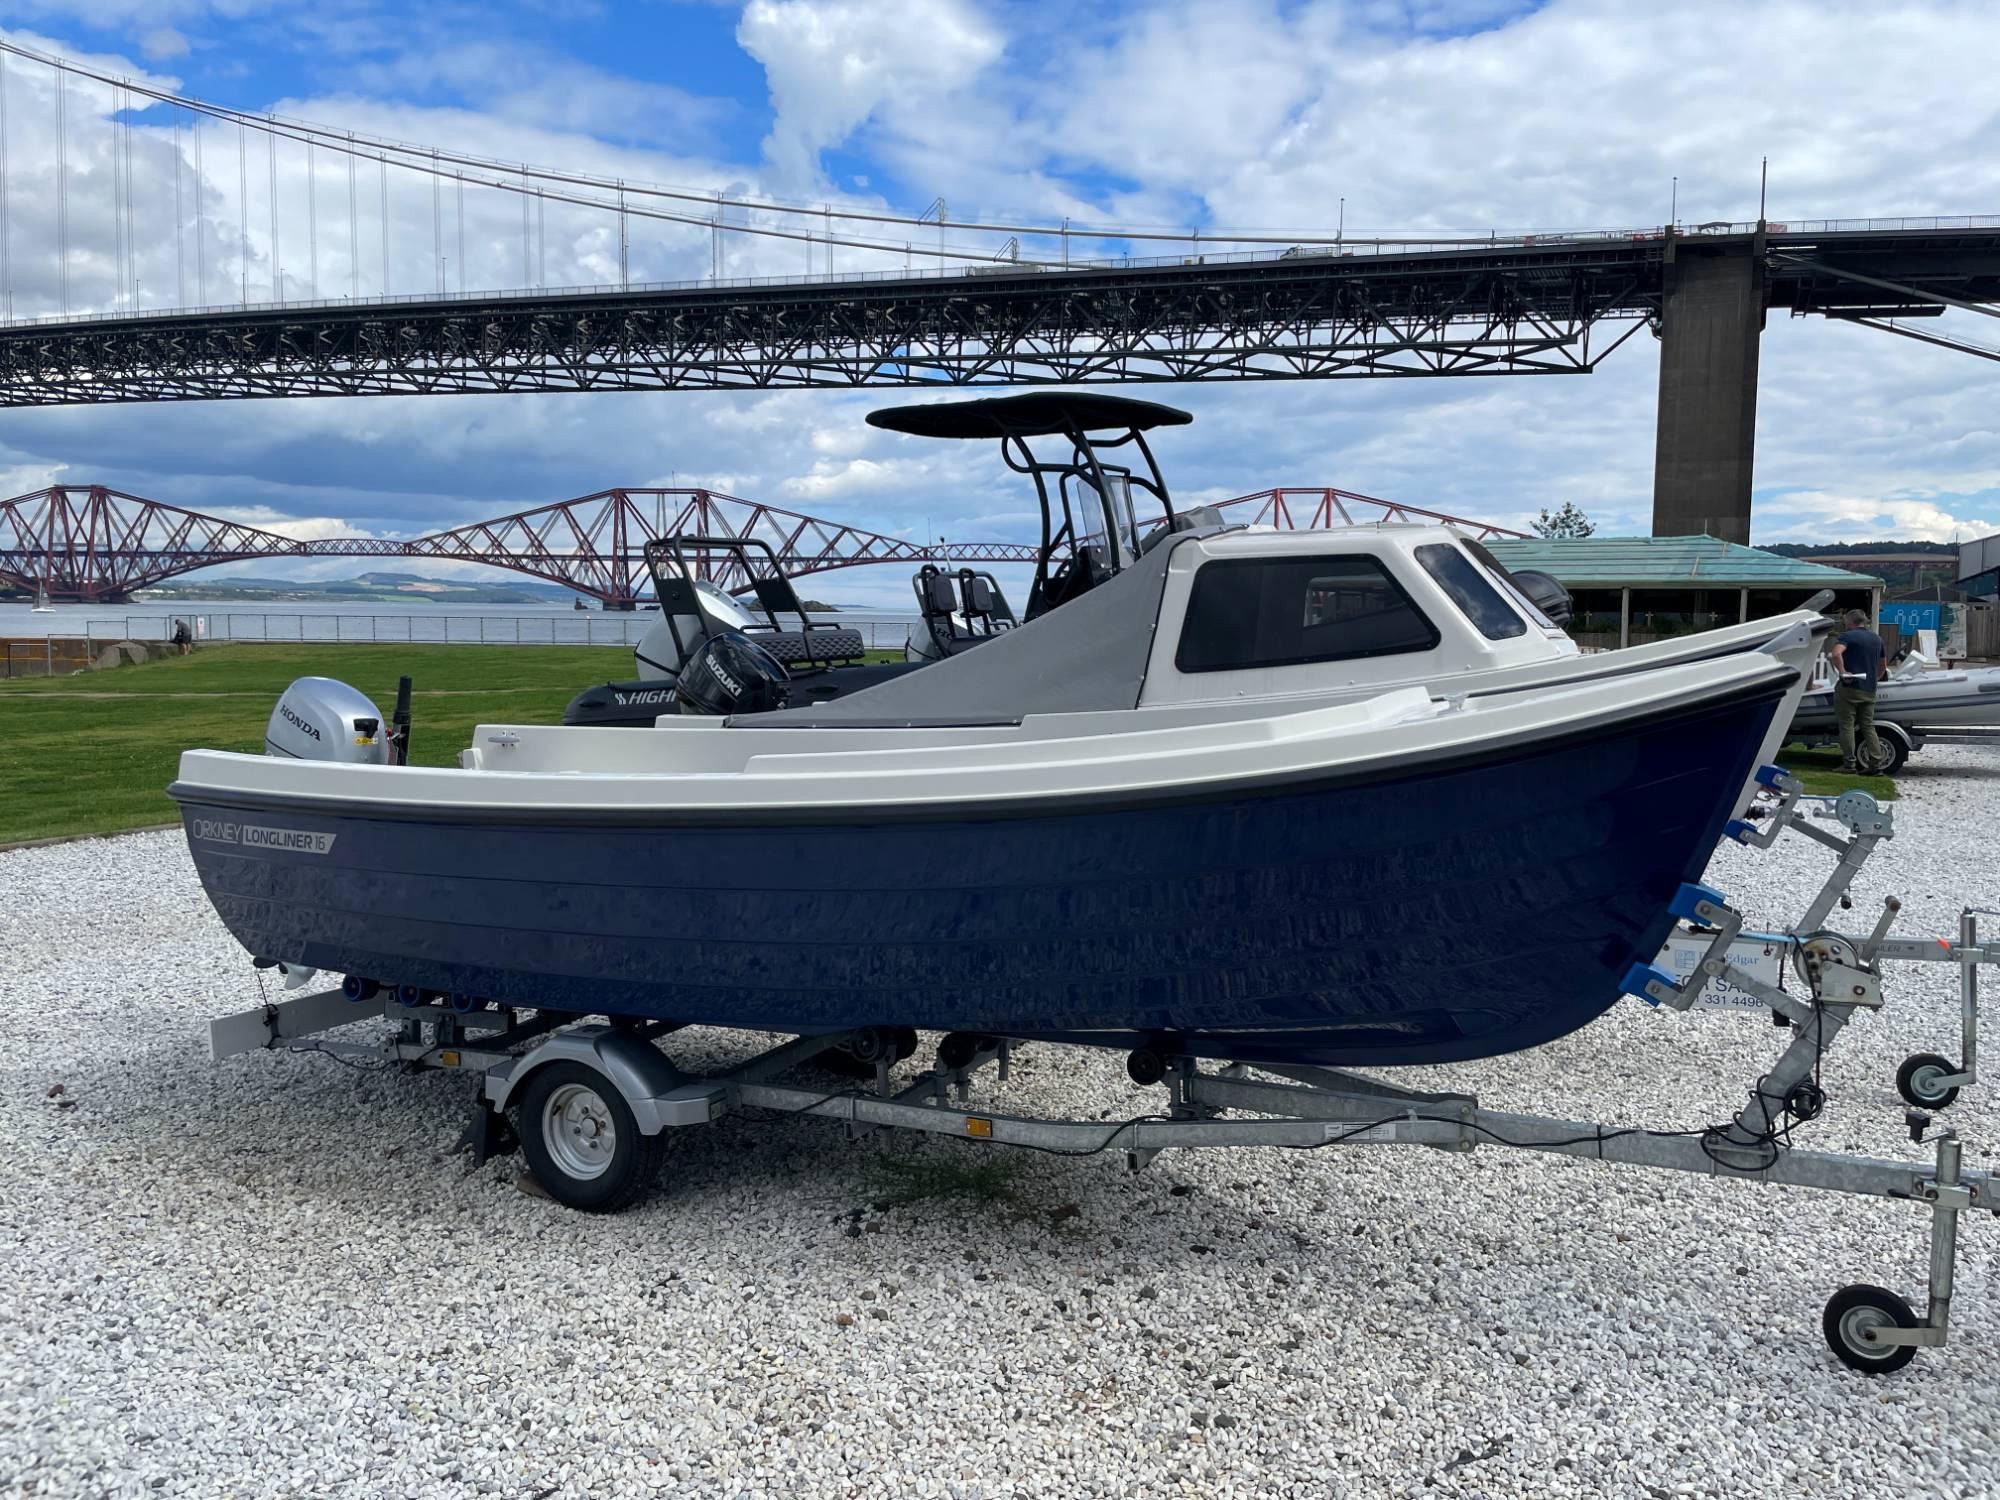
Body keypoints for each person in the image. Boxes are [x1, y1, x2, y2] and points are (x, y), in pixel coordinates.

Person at [1828, 607, 1886, 773]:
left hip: (1849, 687)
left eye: (1845, 621)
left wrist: (1843, 671)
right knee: (1868, 726)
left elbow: (1836, 654)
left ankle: (1849, 764)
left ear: (1850, 622)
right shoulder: (1877, 639)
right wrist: (1875, 678)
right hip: (1869, 689)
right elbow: (1883, 665)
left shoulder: (1847, 636)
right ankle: (1875, 764)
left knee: (1847, 726)